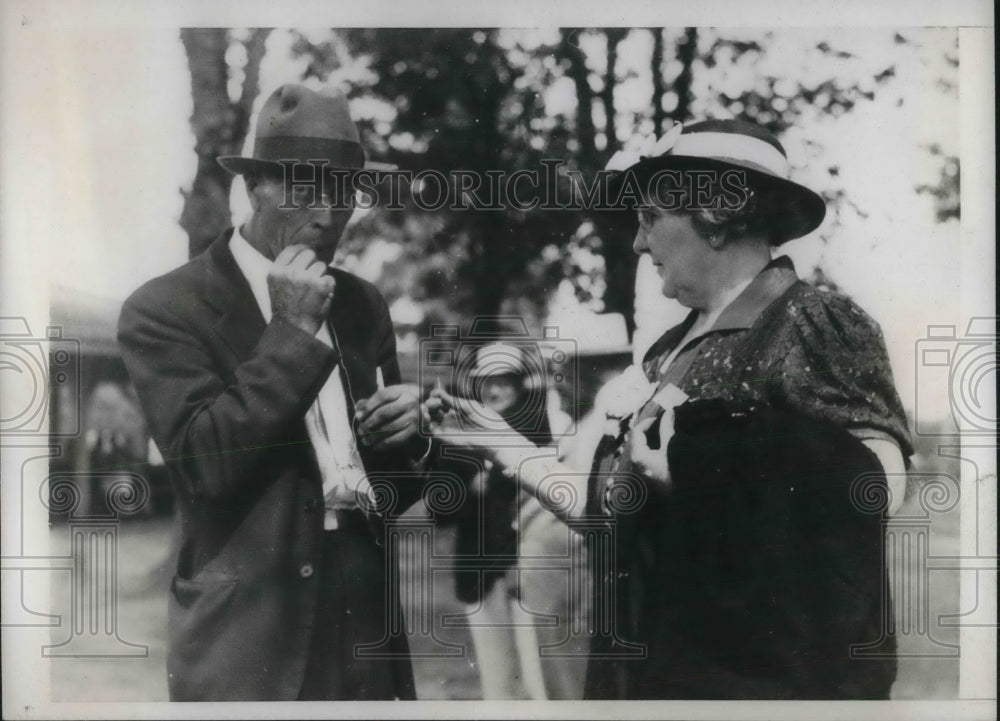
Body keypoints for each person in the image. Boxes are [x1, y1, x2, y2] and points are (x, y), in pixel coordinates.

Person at [426, 119, 912, 699]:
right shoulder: (665, 353)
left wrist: (692, 466)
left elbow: (874, 490)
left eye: (650, 218)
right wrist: (500, 441)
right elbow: (610, 514)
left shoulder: (812, 323)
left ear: (715, 217)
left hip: (754, 685)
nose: (637, 243)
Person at [118, 84, 431, 701]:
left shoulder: (363, 303)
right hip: (248, 632)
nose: (327, 212)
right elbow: (204, 466)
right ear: (254, 187)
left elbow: (391, 494)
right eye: (303, 187)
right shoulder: (165, 308)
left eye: (344, 191)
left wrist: (410, 440)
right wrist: (290, 333)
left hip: (364, 612)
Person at [432, 340, 590, 699]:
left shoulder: (542, 428)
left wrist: (497, 478)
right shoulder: (453, 435)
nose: (495, 389)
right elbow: (440, 511)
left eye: (504, 380)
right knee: (497, 679)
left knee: (540, 675)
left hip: (529, 566)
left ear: (519, 384)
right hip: (479, 568)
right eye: (486, 381)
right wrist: (474, 488)